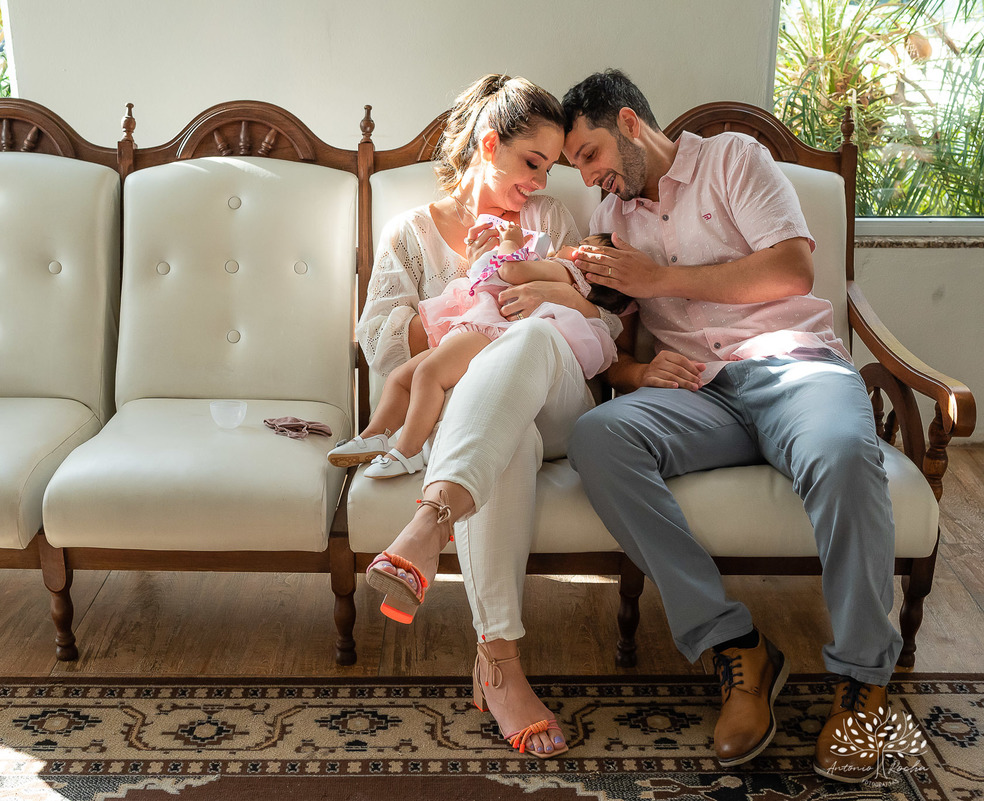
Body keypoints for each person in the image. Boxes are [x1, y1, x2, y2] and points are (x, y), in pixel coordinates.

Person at [562, 69, 901, 783]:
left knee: (843, 450)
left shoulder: (733, 158)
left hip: (793, 367)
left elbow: (791, 270)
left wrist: (656, 281)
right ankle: (737, 646)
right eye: (575, 167)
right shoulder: (615, 223)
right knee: (598, 437)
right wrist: (631, 369)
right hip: (702, 394)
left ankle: (865, 680)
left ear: (628, 123)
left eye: (589, 154)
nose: (590, 177)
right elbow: (607, 347)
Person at [355, 73, 619, 758]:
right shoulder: (411, 232)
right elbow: (379, 340)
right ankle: (498, 665)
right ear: (488, 143)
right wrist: (471, 290)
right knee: (509, 442)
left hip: (558, 397)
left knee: (530, 337)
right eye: (531, 163)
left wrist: (539, 284)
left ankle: (428, 520)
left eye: (551, 168)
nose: (540, 183)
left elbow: (605, 325)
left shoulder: (554, 220)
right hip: (486, 427)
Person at [331, 225, 625, 485]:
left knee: (428, 374)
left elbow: (511, 271)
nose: (566, 247)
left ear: (587, 258)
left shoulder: (568, 271)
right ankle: (373, 437)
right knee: (402, 377)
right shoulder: (557, 268)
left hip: (493, 334)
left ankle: (408, 451)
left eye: (580, 243)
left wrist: (511, 241)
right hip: (480, 324)